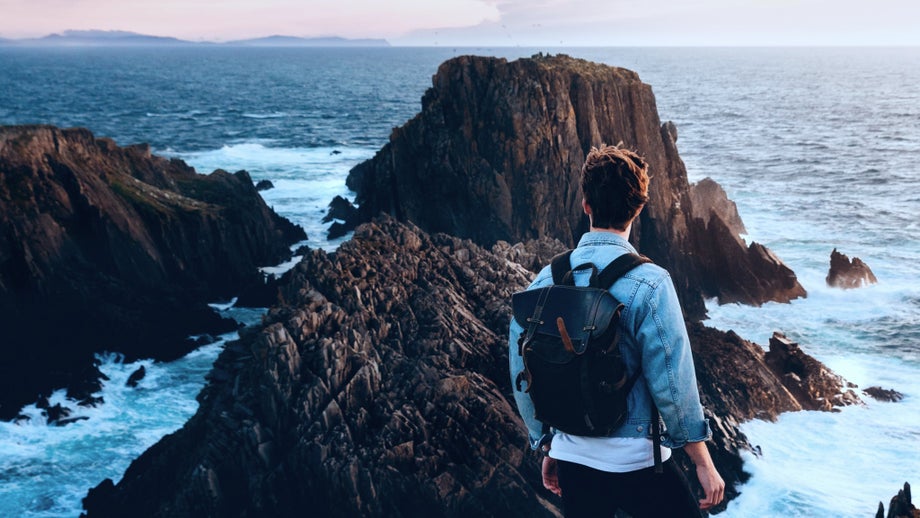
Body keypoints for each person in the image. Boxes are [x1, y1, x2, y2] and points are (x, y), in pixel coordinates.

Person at [509, 145, 725, 517]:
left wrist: (546, 443)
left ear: (585, 204)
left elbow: (521, 371)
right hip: (638, 461)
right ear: (639, 208)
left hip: (573, 459)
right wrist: (702, 461)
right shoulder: (651, 284)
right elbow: (672, 383)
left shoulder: (544, 282)